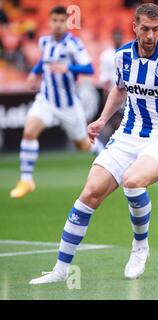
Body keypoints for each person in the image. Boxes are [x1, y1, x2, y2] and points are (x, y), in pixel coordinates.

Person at [29, 3, 158, 284]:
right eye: (144, 29)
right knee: (89, 193)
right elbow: (120, 89)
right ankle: (60, 271)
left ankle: (139, 246)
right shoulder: (122, 56)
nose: (149, 35)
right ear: (134, 26)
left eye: (156, 30)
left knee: (133, 181)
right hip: (127, 133)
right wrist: (101, 119)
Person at [9, 6, 104, 199]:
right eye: (55, 21)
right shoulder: (44, 41)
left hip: (68, 105)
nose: (58, 24)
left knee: (83, 145)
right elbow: (43, 61)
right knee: (29, 131)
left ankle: (106, 157)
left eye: (62, 21)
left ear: (66, 23)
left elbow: (89, 68)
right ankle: (26, 180)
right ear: (50, 22)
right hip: (46, 100)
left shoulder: (73, 44)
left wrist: (68, 67)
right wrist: (34, 74)